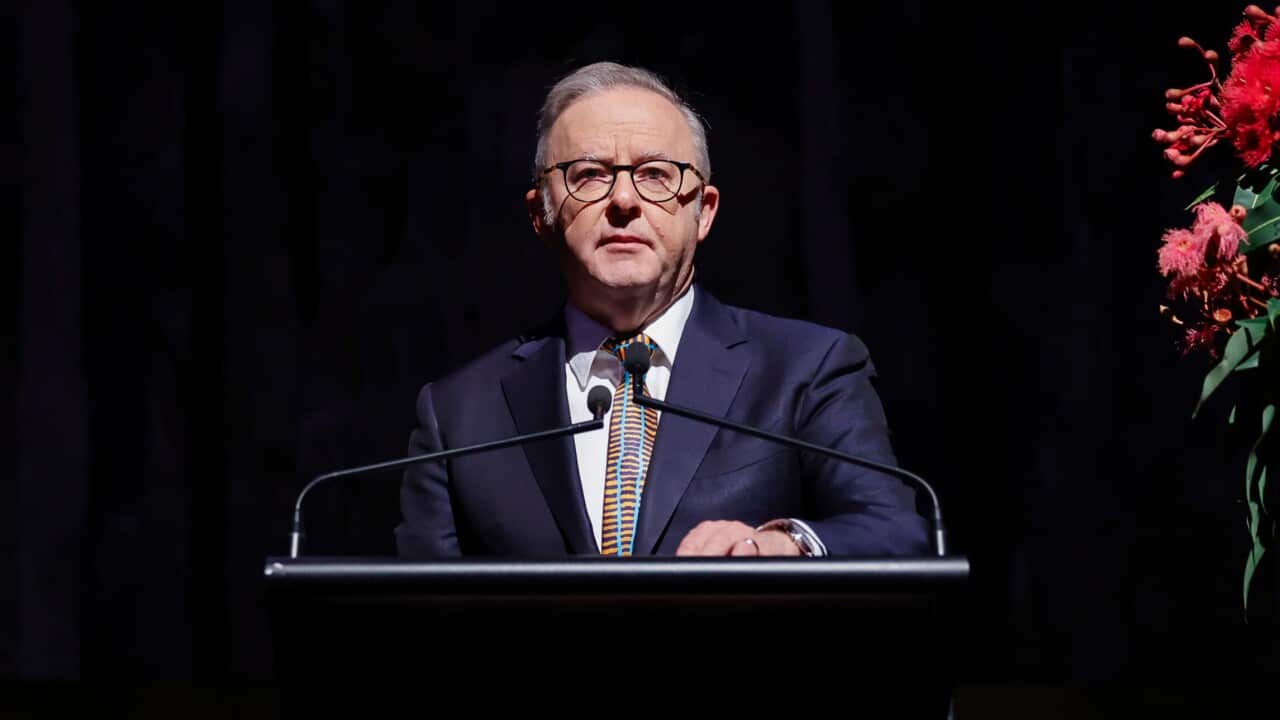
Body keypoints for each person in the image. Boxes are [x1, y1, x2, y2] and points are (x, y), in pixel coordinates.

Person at [395, 62, 929, 558]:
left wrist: (784, 545)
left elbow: (894, 532)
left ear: (702, 211)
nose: (624, 200)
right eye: (589, 174)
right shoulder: (459, 415)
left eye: (656, 174)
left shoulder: (806, 369)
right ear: (541, 214)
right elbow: (419, 606)